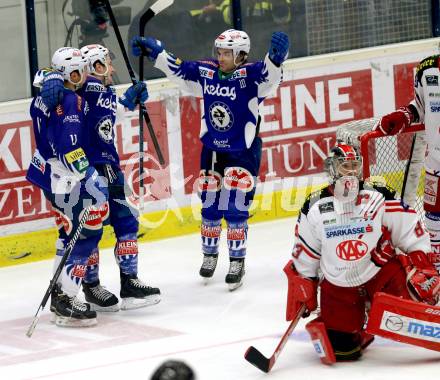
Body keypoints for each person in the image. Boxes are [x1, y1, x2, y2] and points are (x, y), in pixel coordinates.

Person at [131, 29, 289, 290]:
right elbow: (180, 71)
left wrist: (275, 58)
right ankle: (210, 254)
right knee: (210, 204)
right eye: (219, 52)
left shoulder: (251, 75)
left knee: (236, 206)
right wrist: (156, 53)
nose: (221, 57)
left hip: (243, 149)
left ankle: (237, 260)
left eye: (226, 53)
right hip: (213, 150)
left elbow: (271, 77)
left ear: (240, 55)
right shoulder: (207, 71)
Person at [284, 143, 440, 361]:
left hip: (379, 272)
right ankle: (360, 328)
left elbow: (409, 226)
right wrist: (305, 280)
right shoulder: (314, 205)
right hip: (339, 283)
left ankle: (373, 305)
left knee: (408, 306)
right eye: (344, 166)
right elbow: (306, 249)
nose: (350, 172)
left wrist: (422, 262)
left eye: (354, 166)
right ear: (332, 169)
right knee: (345, 351)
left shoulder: (379, 195)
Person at [35, 44, 161, 311]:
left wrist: (129, 100)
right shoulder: (82, 88)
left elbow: (109, 111)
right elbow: (55, 77)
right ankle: (90, 286)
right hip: (84, 169)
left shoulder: (102, 89)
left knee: (127, 220)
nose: (112, 68)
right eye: (105, 63)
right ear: (92, 68)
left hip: (110, 167)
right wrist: (52, 76)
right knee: (88, 229)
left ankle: (129, 281)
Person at [27, 47, 107, 327]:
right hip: (67, 179)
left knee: (67, 235)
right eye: (79, 70)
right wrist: (90, 177)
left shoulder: (46, 95)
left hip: (49, 175)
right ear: (69, 73)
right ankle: (67, 299)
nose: (84, 74)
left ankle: (60, 292)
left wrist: (48, 77)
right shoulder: (70, 100)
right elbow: (68, 147)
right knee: (85, 236)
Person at [376, 54, 440, 274]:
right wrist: (405, 114)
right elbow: (421, 107)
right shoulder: (427, 69)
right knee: (435, 233)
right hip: (436, 169)